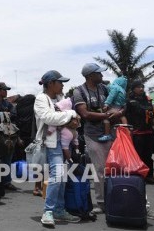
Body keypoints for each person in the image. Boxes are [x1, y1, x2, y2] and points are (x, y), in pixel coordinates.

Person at [72, 63, 120, 215]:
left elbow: (119, 105)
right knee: (100, 169)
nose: (102, 75)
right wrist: (107, 115)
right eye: (98, 73)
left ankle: (115, 197)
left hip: (110, 132)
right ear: (90, 76)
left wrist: (117, 112)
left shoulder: (105, 88)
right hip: (93, 135)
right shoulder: (79, 91)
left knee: (114, 168)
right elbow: (85, 114)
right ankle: (101, 202)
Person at [35, 70, 80, 227]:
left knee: (62, 178)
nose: (62, 85)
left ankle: (59, 210)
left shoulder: (61, 98)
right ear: (51, 84)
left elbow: (75, 122)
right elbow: (48, 117)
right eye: (60, 82)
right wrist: (71, 114)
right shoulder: (41, 99)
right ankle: (48, 211)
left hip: (63, 142)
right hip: (50, 143)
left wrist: (72, 119)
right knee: (58, 175)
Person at [125, 80, 154, 184]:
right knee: (138, 155)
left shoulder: (147, 100)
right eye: (138, 87)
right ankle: (137, 177)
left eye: (142, 86)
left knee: (148, 156)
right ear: (133, 89)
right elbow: (124, 115)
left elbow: (152, 115)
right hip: (137, 133)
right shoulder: (129, 101)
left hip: (149, 132)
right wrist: (128, 129)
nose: (141, 88)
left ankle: (149, 176)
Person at [0, 82, 19, 191]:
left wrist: (0, 114)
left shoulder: (7, 103)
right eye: (4, 89)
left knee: (8, 156)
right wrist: (4, 114)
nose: (6, 91)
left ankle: (7, 181)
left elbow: (14, 115)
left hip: (7, 133)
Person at [46, 98, 80, 162]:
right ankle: (77, 151)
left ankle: (69, 159)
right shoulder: (72, 113)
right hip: (74, 132)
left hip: (66, 132)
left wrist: (48, 132)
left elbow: (53, 125)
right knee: (75, 141)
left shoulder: (58, 113)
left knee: (65, 147)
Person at [99, 76, 128, 141]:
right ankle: (126, 129)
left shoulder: (114, 87)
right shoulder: (123, 90)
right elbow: (124, 101)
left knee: (106, 118)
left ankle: (107, 135)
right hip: (120, 107)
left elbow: (111, 96)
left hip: (114, 107)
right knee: (122, 117)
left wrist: (106, 104)